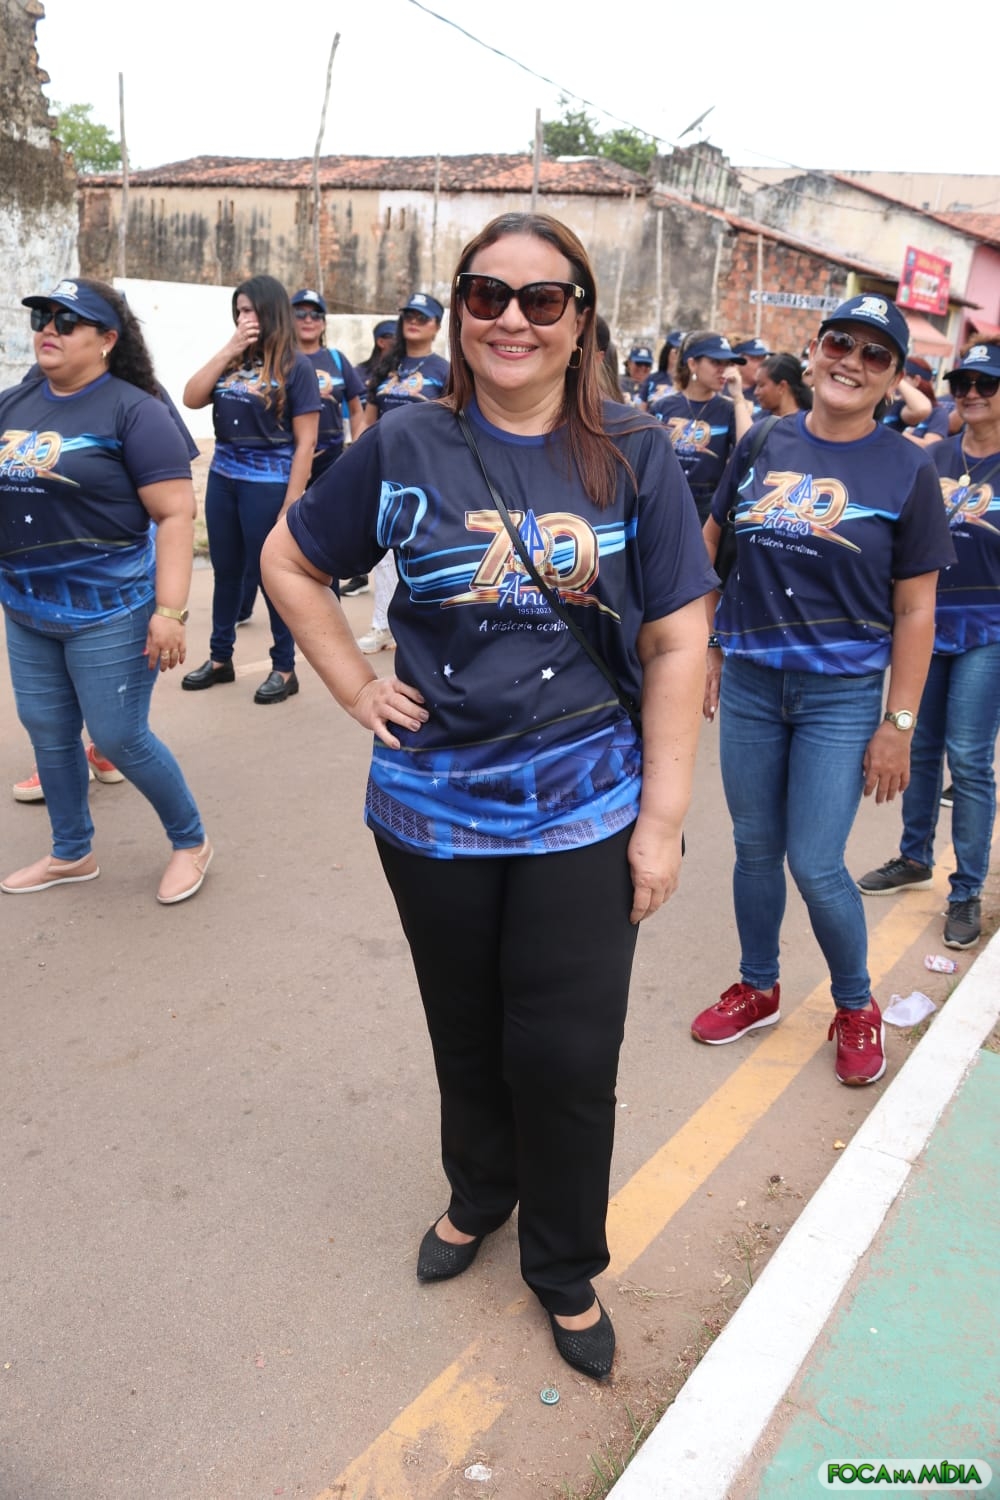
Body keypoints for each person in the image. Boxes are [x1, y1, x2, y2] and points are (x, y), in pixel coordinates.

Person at [261, 211, 715, 1381]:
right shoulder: (407, 440)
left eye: (541, 299)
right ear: (461, 309)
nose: (511, 319)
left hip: (586, 804)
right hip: (430, 809)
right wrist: (354, 683)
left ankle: (561, 1266)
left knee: (565, 1051)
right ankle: (479, 1193)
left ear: (580, 318)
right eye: (486, 294)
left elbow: (677, 640)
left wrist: (662, 822)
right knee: (464, 1029)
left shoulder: (632, 450)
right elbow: (290, 560)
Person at [694, 294, 955, 1084]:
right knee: (753, 847)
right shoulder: (763, 441)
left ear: (894, 376)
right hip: (751, 683)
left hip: (840, 698)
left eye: (876, 354)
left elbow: (915, 609)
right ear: (812, 351)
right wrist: (706, 645)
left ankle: (856, 1004)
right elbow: (711, 548)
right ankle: (759, 986)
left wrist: (899, 724)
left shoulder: (908, 468)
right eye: (840, 342)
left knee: (814, 861)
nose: (852, 361)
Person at [0, 277, 211, 904]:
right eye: (42, 317)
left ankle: (191, 841)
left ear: (107, 340)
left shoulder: (135, 411)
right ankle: (71, 852)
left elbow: (176, 514)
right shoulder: (14, 403)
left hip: (109, 611)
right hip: (27, 607)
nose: (49, 329)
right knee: (47, 729)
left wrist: (170, 611)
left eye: (67, 321)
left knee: (119, 737)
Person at [857, 341, 1000, 949]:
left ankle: (965, 889)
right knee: (916, 740)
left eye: (986, 383)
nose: (971, 392)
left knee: (968, 759)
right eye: (962, 382)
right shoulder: (934, 457)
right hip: (927, 625)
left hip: (989, 630)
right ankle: (914, 856)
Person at [181, 275, 319, 704]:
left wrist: (291, 502)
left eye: (250, 310)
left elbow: (306, 442)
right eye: (238, 311)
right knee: (226, 572)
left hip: (269, 482)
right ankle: (220, 659)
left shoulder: (297, 367)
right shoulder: (232, 360)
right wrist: (229, 348)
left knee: (269, 575)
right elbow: (190, 397)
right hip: (224, 477)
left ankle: (284, 668)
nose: (244, 318)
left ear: (270, 311)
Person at [357, 292, 450, 654]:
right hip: (383, 471)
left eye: (422, 317)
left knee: (425, 551)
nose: (413, 322)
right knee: (383, 554)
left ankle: (425, 629)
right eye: (409, 315)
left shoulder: (444, 370)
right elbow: (368, 421)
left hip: (426, 474)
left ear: (437, 326)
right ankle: (382, 626)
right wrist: (358, 459)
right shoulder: (387, 366)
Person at [649, 330, 751, 521]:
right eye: (716, 362)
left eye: (727, 363)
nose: (723, 370)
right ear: (692, 364)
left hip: (708, 507)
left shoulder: (729, 409)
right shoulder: (662, 407)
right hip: (666, 500)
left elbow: (748, 449)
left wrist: (738, 397)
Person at [754, 352, 813, 418]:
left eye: (761, 385)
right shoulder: (757, 418)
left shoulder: (807, 421)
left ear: (782, 386)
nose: (756, 392)